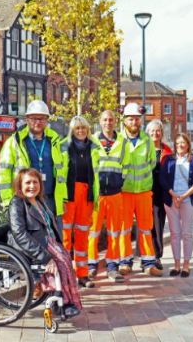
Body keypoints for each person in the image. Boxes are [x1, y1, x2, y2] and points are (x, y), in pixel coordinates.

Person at [8, 168, 81, 318]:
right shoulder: (17, 203)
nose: (32, 186)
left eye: (35, 182)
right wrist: (46, 258)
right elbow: (20, 234)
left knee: (66, 259)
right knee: (59, 262)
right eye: (27, 182)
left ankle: (67, 301)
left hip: (47, 241)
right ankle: (61, 303)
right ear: (19, 185)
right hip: (32, 245)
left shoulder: (40, 201)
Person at [0, 100, 66, 234]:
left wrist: (62, 198)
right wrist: (8, 201)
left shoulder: (54, 140)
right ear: (27, 120)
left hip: (51, 200)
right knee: (33, 241)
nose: (38, 122)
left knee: (56, 241)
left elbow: (61, 172)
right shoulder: (14, 142)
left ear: (47, 120)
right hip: (26, 201)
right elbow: (3, 173)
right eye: (34, 118)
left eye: (42, 118)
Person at [119, 103, 162, 277]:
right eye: (131, 119)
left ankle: (148, 263)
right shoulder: (118, 140)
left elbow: (151, 163)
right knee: (124, 228)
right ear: (125, 120)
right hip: (125, 191)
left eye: (137, 119)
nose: (134, 122)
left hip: (144, 191)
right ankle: (125, 262)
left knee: (146, 228)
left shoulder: (147, 141)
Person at [57, 116, 100, 288]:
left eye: (83, 128)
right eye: (77, 128)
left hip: (86, 195)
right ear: (72, 130)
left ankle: (82, 275)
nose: (81, 131)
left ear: (88, 130)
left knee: (82, 236)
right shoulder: (63, 146)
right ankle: (66, 275)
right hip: (68, 195)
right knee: (65, 237)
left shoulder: (94, 148)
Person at [88, 110, 130, 283]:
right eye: (105, 119)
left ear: (115, 121)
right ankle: (91, 265)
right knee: (92, 232)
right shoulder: (92, 140)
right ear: (100, 121)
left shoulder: (123, 142)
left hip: (115, 193)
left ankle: (112, 266)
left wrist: (118, 181)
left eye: (111, 120)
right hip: (97, 195)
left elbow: (125, 166)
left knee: (114, 232)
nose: (108, 122)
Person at [160, 133, 193, 278]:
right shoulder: (169, 160)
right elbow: (163, 178)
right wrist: (174, 196)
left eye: (183, 143)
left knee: (186, 233)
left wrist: (183, 196)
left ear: (188, 145)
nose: (180, 145)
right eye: (177, 142)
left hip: (189, 200)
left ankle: (186, 265)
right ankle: (176, 264)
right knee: (174, 234)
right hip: (171, 199)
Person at [146, 119, 172, 271]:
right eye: (152, 131)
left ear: (161, 133)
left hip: (160, 193)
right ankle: (145, 256)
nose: (155, 133)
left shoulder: (167, 151)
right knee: (144, 225)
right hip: (144, 190)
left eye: (158, 131)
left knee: (157, 225)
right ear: (148, 133)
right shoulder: (142, 149)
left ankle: (156, 256)